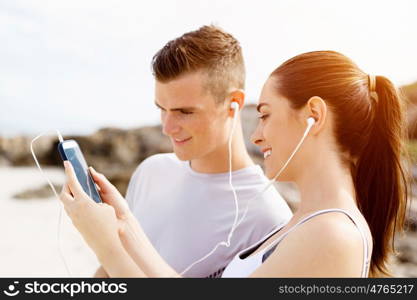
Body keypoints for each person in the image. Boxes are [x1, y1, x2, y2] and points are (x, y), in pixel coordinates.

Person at [61, 50, 409, 277]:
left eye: (265, 115)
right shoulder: (308, 224)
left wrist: (104, 243)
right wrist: (123, 226)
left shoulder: (331, 235)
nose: (256, 136)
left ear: (313, 116)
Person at [93, 25, 292, 278]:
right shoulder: (151, 171)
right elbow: (108, 274)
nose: (167, 127)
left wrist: (102, 243)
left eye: (184, 112)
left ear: (234, 104)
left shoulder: (267, 219)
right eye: (162, 108)